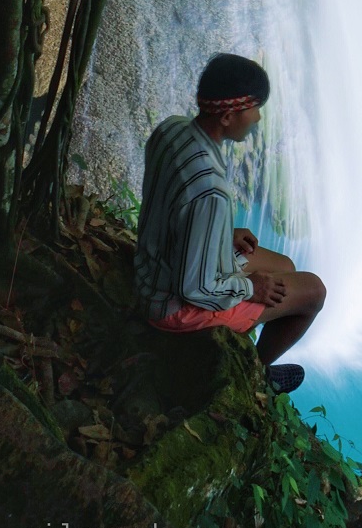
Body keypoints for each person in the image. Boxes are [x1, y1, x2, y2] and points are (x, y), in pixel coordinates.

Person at [134, 53, 326, 395]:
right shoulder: (211, 192)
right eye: (254, 109)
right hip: (173, 306)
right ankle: (256, 372)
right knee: (312, 292)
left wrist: (218, 234)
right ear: (227, 116)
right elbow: (196, 289)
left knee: (284, 266)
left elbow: (167, 206)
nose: (258, 118)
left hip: (153, 265)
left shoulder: (172, 130)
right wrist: (252, 287)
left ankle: (245, 333)